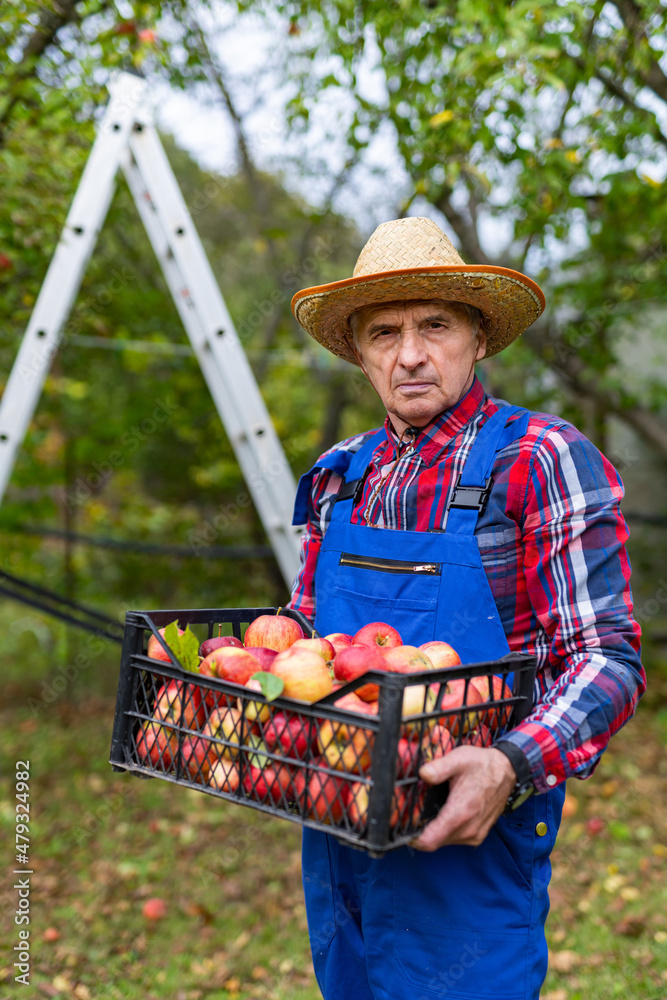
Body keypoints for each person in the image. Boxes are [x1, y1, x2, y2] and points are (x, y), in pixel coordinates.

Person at [286, 216, 645, 1000]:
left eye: (434, 326)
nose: (409, 354)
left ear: (477, 337)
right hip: (338, 825)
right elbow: (305, 642)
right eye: (384, 332)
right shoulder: (336, 475)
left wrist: (509, 763)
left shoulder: (540, 460)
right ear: (359, 351)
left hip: (469, 830)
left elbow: (606, 658)